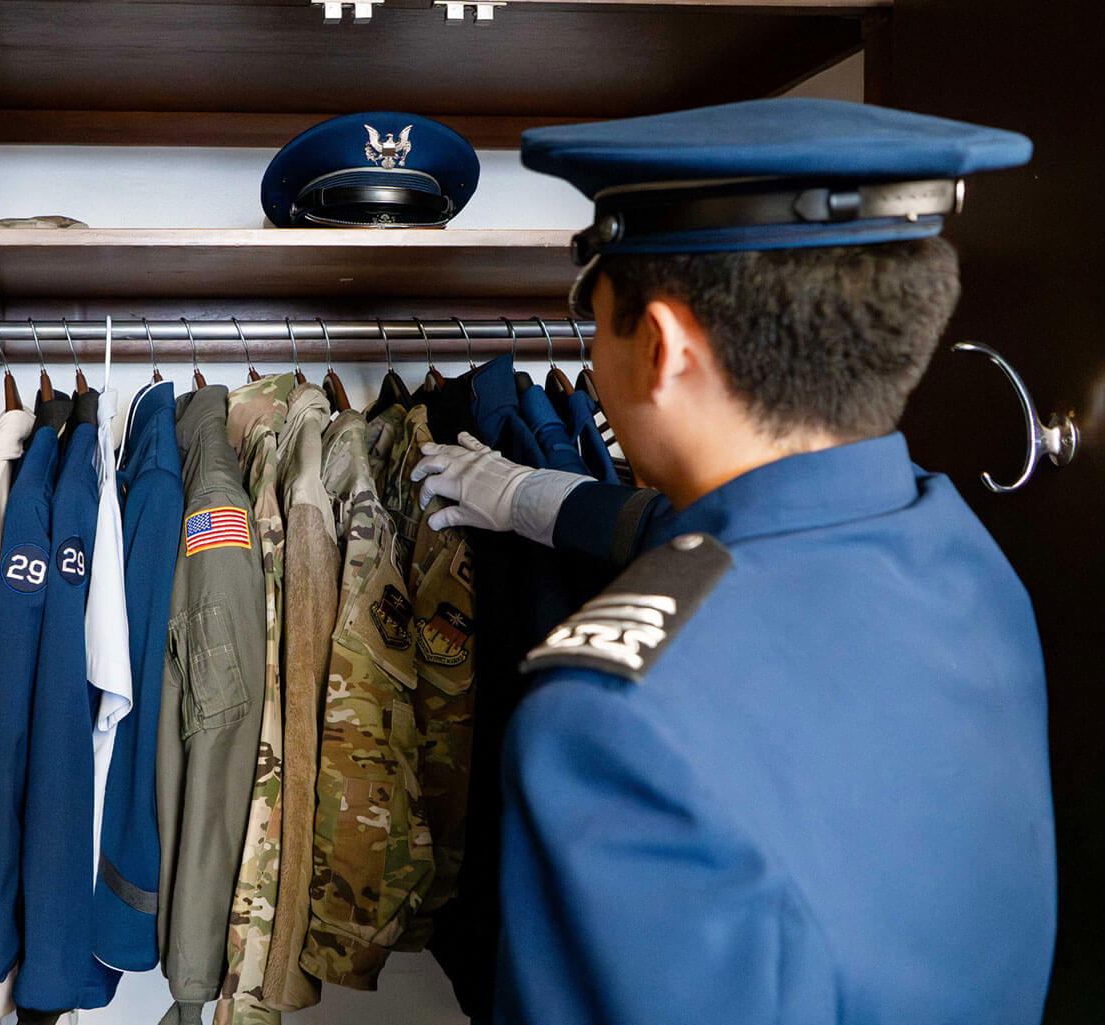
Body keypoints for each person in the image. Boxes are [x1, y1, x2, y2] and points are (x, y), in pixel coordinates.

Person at [411, 99, 1057, 1025]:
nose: (591, 362)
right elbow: (728, 545)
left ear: (664, 349)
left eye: (592, 322)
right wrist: (525, 497)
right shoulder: (960, 558)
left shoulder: (612, 723)